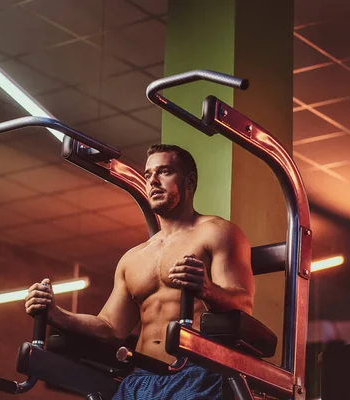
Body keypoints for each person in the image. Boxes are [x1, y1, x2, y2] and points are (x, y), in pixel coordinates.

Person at [25, 144, 255, 399]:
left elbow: (243, 303)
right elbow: (110, 326)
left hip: (196, 373)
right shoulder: (133, 257)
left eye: (164, 172)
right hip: (141, 380)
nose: (153, 181)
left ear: (189, 181)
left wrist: (208, 290)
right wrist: (56, 314)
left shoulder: (217, 233)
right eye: (147, 175)